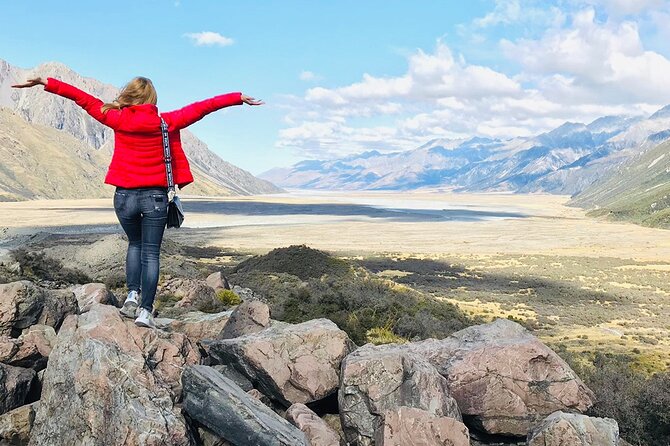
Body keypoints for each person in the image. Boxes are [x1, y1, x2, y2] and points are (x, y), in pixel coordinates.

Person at [12, 75, 263, 328]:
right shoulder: (167, 121)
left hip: (123, 197)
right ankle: (145, 312)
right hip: (155, 198)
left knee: (134, 244)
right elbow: (202, 108)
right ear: (152, 98)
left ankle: (132, 296)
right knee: (151, 254)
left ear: (130, 96)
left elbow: (83, 99)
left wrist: (47, 82)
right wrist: (237, 98)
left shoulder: (117, 118)